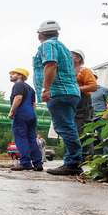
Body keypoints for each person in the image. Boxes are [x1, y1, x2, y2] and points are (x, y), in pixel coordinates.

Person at [32, 20, 82, 176]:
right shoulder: (64, 49)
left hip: (58, 92)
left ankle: (73, 163)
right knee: (69, 127)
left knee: (65, 127)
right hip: (70, 92)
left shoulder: (47, 45)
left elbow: (50, 65)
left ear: (41, 34)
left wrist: (46, 89)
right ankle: (73, 161)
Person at [8, 68, 43, 171]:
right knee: (32, 139)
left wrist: (12, 111)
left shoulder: (18, 85)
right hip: (31, 115)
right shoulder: (31, 89)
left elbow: (18, 98)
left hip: (21, 114)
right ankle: (38, 163)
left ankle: (25, 163)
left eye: (13, 73)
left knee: (21, 138)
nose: (11, 75)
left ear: (20, 75)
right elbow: (33, 104)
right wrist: (32, 116)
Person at [70, 50, 98, 156]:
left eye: (70, 55)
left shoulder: (84, 70)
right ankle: (74, 158)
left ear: (78, 58)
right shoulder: (67, 71)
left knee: (82, 131)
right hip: (72, 105)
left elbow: (93, 86)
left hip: (83, 104)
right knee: (72, 131)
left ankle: (87, 158)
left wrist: (75, 89)